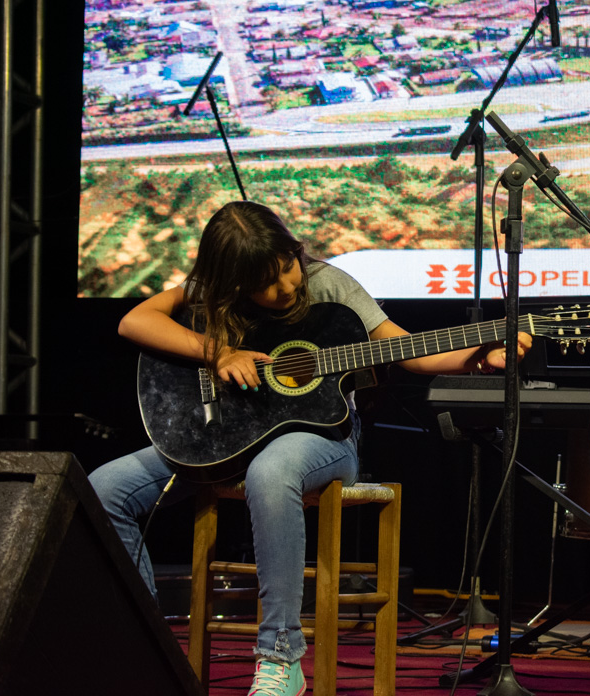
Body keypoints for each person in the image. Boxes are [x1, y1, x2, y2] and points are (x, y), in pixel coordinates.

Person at [89, 201, 531, 696]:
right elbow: (134, 322)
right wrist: (220, 353)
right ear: (233, 282)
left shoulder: (329, 285)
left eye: (287, 267)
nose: (286, 287)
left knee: (270, 471)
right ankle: (148, 649)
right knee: (103, 490)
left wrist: (482, 355)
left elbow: (412, 355)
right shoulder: (215, 290)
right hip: (227, 438)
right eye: (267, 284)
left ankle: (281, 657)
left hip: (324, 441)